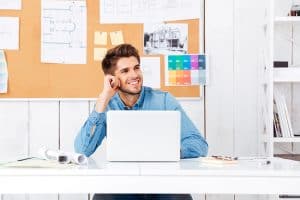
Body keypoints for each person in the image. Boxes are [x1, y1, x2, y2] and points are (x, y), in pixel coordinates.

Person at [74, 44, 208, 200]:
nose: (134, 74)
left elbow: (199, 144)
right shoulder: (107, 106)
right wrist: (104, 97)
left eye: (136, 68)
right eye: (125, 71)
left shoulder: (164, 100)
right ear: (112, 79)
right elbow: (82, 150)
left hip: (163, 183)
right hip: (122, 185)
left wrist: (171, 152)